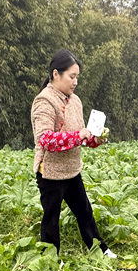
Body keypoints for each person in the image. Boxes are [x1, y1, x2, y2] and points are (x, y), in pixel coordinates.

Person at [31, 49, 116, 258]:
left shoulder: (75, 101)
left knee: (85, 212)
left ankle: (100, 250)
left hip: (72, 170)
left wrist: (96, 139)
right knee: (51, 219)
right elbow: (45, 139)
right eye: (72, 76)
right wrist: (79, 135)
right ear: (56, 74)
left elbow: (82, 136)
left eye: (77, 77)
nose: (75, 82)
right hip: (51, 173)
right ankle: (51, 259)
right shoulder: (44, 101)